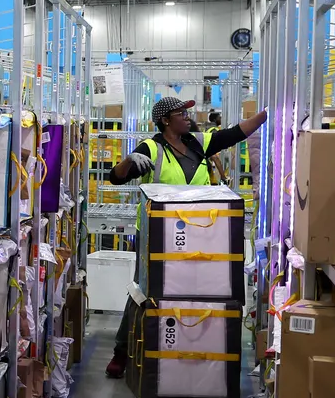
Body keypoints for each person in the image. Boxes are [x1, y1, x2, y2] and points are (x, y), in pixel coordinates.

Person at [104, 96, 269, 379]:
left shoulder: (198, 142)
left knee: (191, 288)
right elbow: (115, 177)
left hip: (198, 232)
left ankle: (182, 346)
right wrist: (130, 159)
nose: (187, 117)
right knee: (143, 290)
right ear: (166, 119)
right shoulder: (151, 148)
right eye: (181, 113)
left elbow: (235, 133)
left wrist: (266, 115)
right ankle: (121, 351)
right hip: (155, 235)